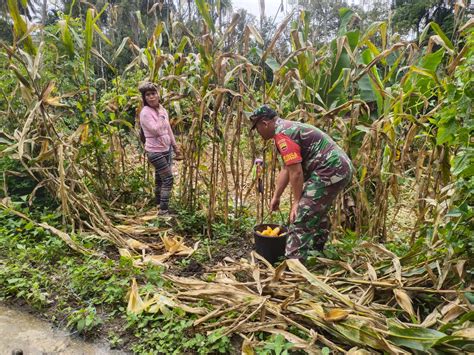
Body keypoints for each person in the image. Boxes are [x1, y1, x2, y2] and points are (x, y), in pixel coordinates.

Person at [249, 105, 353, 260]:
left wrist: (297, 202)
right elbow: (286, 168)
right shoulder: (286, 130)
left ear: (265, 123)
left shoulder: (283, 135)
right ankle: (317, 250)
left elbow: (296, 172)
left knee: (302, 214)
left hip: (330, 169)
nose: (257, 132)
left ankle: (294, 263)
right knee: (316, 209)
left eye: (256, 128)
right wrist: (276, 197)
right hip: (338, 169)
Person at [138, 81, 182, 216]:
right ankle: (163, 211)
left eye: (153, 93)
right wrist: (162, 115)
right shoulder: (145, 112)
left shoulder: (162, 110)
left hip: (166, 149)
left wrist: (175, 147)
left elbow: (168, 129)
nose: (151, 97)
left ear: (158, 94)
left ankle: (158, 203)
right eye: (148, 95)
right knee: (168, 179)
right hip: (154, 151)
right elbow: (156, 130)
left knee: (159, 178)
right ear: (144, 98)